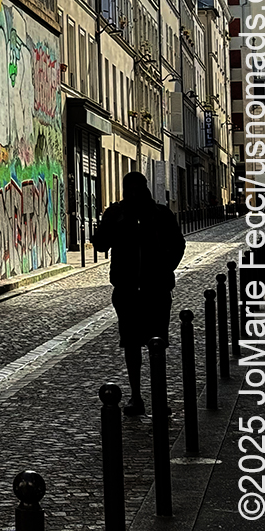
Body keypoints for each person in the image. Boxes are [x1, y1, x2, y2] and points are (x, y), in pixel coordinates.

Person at [91, 171, 186, 417]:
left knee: (157, 344)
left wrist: (166, 268)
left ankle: (159, 397)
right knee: (131, 344)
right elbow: (100, 244)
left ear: (145, 189)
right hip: (127, 290)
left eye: (138, 189)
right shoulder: (116, 214)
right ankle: (136, 396)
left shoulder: (161, 214)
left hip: (157, 290)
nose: (134, 194)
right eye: (130, 189)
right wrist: (111, 223)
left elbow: (178, 244)